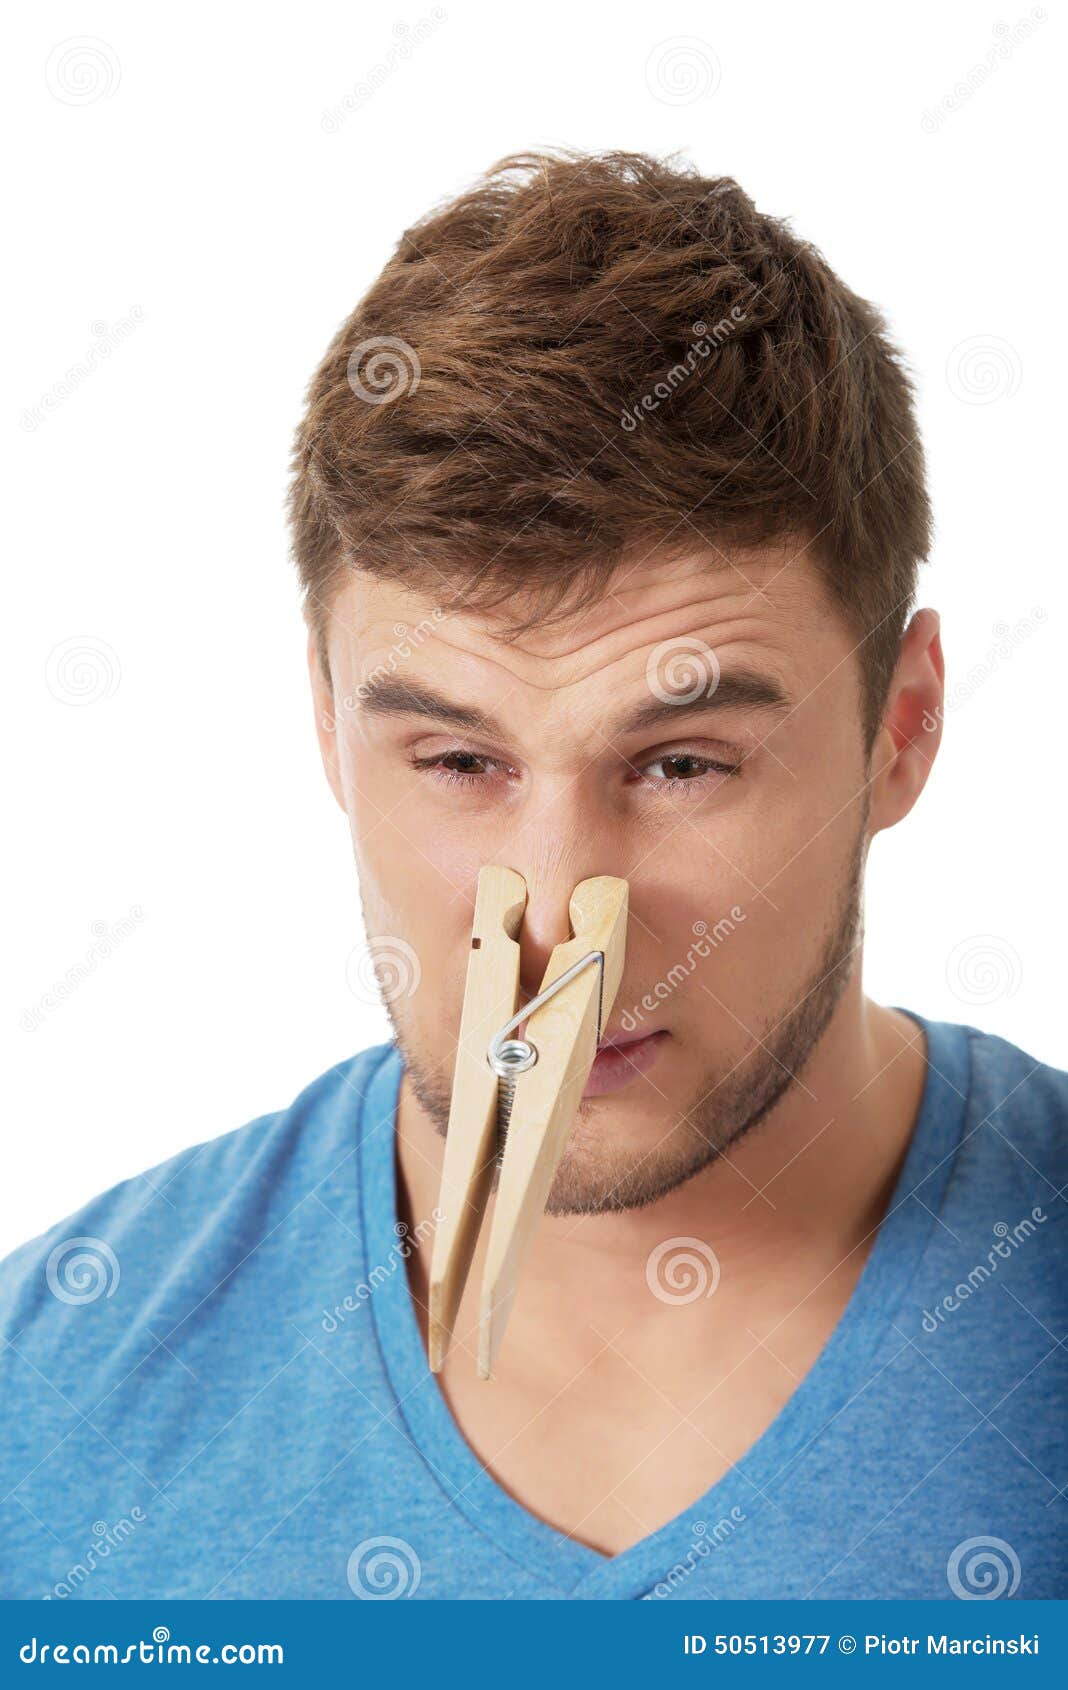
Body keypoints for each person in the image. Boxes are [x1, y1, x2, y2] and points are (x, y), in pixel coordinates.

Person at [2, 151, 1064, 1602]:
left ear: (904, 727)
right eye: (457, 761)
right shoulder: (48, 1406)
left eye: (682, 762)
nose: (561, 916)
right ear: (326, 726)